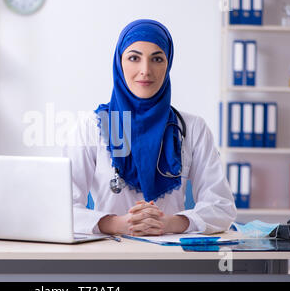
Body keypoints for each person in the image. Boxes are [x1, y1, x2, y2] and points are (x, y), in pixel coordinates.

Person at [62, 19, 236, 236]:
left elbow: (222, 207)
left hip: (172, 256)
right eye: (134, 58)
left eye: (157, 59)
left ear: (168, 64)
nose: (145, 70)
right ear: (119, 62)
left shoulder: (193, 128)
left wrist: (171, 223)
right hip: (108, 254)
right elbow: (60, 209)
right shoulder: (91, 126)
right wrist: (117, 224)